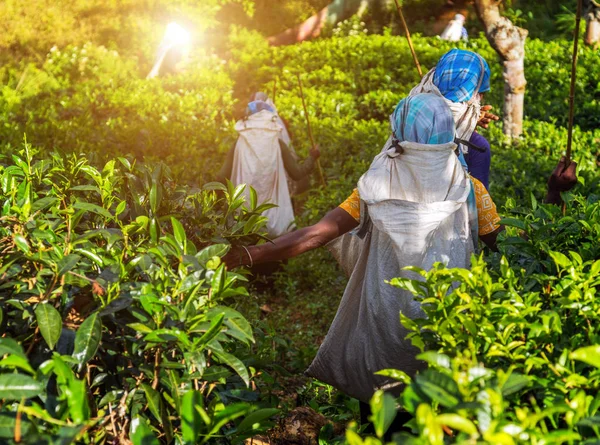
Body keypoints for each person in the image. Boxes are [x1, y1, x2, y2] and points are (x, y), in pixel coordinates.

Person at [224, 94, 577, 432]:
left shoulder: (374, 189)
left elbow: (316, 233)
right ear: (448, 138)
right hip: (445, 327)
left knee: (382, 424)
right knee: (438, 422)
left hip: (382, 329)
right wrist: (553, 191)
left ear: (398, 136)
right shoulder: (469, 191)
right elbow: (517, 249)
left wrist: (248, 255)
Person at [217, 92, 320, 238]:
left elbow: (222, 176)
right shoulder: (277, 143)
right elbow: (297, 173)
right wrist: (312, 157)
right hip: (272, 225)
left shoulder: (239, 143)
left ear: (248, 118)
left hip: (241, 222)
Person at [410, 48, 499, 190]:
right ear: (473, 95)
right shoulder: (476, 146)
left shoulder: (407, 121)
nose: (481, 98)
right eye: (479, 92)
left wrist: (467, 121)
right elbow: (477, 205)